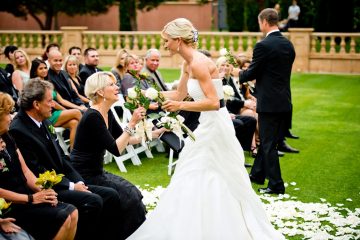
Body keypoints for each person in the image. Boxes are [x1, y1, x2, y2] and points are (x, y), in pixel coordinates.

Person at [127, 17, 284, 239]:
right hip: (204, 125)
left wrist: (180, 105)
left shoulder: (199, 64)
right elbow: (180, 94)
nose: (165, 45)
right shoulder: (187, 63)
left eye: (166, 40)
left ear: (178, 40)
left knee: (213, 171)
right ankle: (193, 221)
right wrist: (147, 94)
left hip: (215, 126)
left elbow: (214, 102)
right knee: (192, 169)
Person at [9, 79, 127, 239]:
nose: (54, 105)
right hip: (46, 188)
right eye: (50, 101)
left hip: (64, 181)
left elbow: (62, 158)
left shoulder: (42, 120)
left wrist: (78, 182)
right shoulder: (18, 129)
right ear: (36, 104)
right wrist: (71, 186)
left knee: (111, 195)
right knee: (93, 201)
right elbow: (36, 170)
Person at [71, 72, 166, 239]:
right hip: (84, 175)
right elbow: (116, 149)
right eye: (111, 85)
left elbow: (125, 139)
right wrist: (132, 122)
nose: (117, 88)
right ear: (100, 92)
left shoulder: (106, 112)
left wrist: (155, 133)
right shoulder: (93, 116)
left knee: (133, 193)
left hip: (97, 171)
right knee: (128, 196)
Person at [0, 92, 78, 240]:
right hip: (10, 204)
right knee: (63, 217)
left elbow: (25, 170)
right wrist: (31, 198)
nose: (11, 117)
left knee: (72, 213)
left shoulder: (7, 136)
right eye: (8, 114)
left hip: (27, 195)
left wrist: (43, 192)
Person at [239, 8, 295, 195]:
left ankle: (276, 185)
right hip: (284, 101)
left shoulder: (263, 45)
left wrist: (237, 73)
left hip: (269, 103)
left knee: (269, 143)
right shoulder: (288, 45)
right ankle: (257, 174)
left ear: (263, 22)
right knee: (268, 141)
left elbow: (252, 72)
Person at [30, 58, 82, 149]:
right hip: (46, 116)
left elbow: (61, 100)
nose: (44, 70)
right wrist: (68, 111)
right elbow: (52, 102)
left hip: (54, 113)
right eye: (41, 68)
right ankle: (91, 137)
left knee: (74, 123)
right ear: (35, 71)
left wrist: (70, 110)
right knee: (77, 113)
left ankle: (73, 153)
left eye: (45, 68)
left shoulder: (48, 82)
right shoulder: (36, 84)